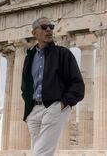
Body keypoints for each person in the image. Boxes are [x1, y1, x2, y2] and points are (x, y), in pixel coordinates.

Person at [22, 17, 85, 156]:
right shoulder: (30, 57)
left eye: (51, 26)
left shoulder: (63, 54)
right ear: (34, 33)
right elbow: (25, 85)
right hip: (34, 110)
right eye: (44, 27)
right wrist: (29, 106)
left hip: (55, 107)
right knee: (40, 151)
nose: (49, 29)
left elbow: (78, 84)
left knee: (41, 153)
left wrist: (61, 105)